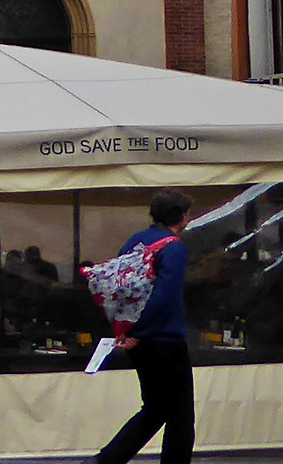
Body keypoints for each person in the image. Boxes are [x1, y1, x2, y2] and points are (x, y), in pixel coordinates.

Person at [93, 190, 194, 464]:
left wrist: (124, 330)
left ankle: (106, 460)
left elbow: (117, 286)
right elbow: (165, 295)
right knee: (181, 417)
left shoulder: (134, 241)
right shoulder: (174, 247)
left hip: (135, 338)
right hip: (165, 338)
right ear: (182, 217)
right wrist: (140, 330)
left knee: (155, 408)